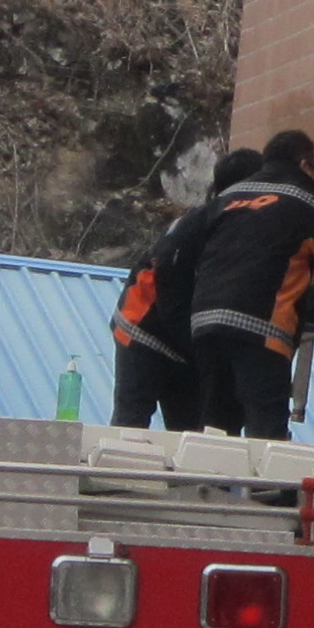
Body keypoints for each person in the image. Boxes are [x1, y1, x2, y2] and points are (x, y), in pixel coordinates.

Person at [186, 131, 314, 440]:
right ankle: (269, 471)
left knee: (216, 431)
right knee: (266, 435)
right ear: (305, 165)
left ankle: (208, 471)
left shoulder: (227, 200)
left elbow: (257, 268)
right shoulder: (306, 205)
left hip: (206, 327)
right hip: (260, 332)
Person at [110, 149, 257, 430]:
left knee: (190, 434)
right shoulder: (195, 225)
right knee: (130, 426)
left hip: (189, 342)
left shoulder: (248, 233)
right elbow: (172, 292)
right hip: (142, 327)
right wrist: (202, 350)